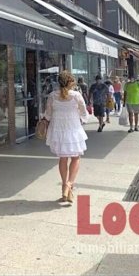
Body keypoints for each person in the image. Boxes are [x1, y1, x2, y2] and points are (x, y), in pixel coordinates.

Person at [44, 70, 88, 204]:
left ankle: (65, 186)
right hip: (73, 129)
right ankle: (69, 184)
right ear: (70, 82)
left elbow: (48, 114)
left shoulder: (52, 96)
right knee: (76, 158)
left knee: (63, 158)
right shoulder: (76, 95)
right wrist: (82, 120)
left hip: (58, 130)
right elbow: (83, 112)